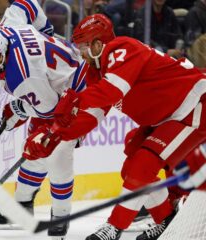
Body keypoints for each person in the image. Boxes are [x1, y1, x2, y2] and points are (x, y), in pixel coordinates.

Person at [23, 13, 206, 240]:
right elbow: (91, 117)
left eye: (83, 46)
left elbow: (112, 90)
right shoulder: (96, 71)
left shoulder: (123, 48)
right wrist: (54, 135)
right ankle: (166, 219)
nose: (80, 53)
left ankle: (114, 228)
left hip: (194, 108)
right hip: (166, 117)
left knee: (142, 165)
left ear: (98, 44)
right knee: (131, 167)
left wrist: (77, 102)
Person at [0, 0, 102, 239]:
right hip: (58, 82)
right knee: (34, 147)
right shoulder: (8, 28)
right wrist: (46, 32)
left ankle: (61, 215)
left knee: (57, 153)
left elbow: (50, 111)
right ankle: (21, 207)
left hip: (78, 93)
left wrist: (19, 108)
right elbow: (25, 4)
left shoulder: (22, 76)